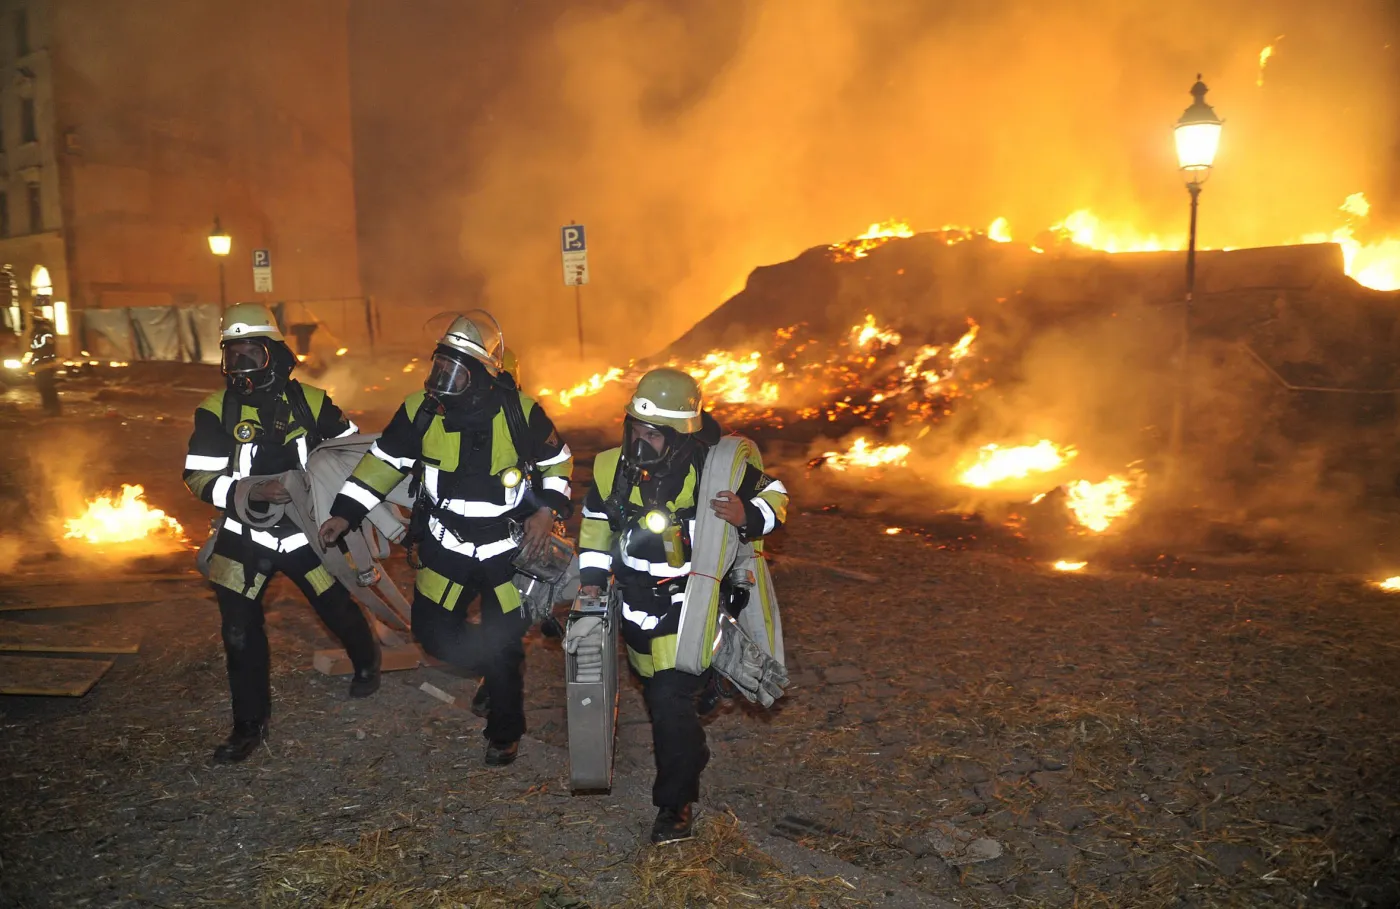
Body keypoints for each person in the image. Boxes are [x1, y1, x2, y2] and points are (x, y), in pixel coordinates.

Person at [319, 312, 573, 766]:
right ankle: (494, 674)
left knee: (504, 641)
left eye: (455, 371)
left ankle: (504, 733)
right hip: (445, 546)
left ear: (481, 374)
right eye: (440, 366)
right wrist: (344, 513)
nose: (442, 380)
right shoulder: (420, 408)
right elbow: (381, 463)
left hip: (508, 555)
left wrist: (546, 511)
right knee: (434, 637)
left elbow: (559, 464)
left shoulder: (522, 411)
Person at [576, 367, 789, 844]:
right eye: (635, 428)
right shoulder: (611, 466)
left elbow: (777, 494)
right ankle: (703, 690)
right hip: (634, 609)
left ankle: (675, 804)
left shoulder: (717, 467)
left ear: (679, 435)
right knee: (657, 690)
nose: (638, 441)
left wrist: (749, 513)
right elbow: (594, 525)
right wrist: (591, 581)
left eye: (651, 434)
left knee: (668, 702)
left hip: (692, 606)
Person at [183, 302, 381, 764]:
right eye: (233, 357)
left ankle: (367, 659)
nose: (241, 367)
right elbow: (198, 477)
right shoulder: (214, 411)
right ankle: (248, 725)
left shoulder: (311, 401)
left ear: (273, 353)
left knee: (335, 605)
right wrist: (253, 492)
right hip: (242, 537)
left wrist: (342, 508)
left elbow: (350, 452)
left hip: (306, 536)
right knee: (238, 630)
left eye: (251, 354)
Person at [28, 314, 60, 416]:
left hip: (45, 365)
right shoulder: (39, 333)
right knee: (43, 387)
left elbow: (44, 349)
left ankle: (53, 409)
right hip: (41, 365)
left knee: (47, 388)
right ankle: (49, 408)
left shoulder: (45, 333)